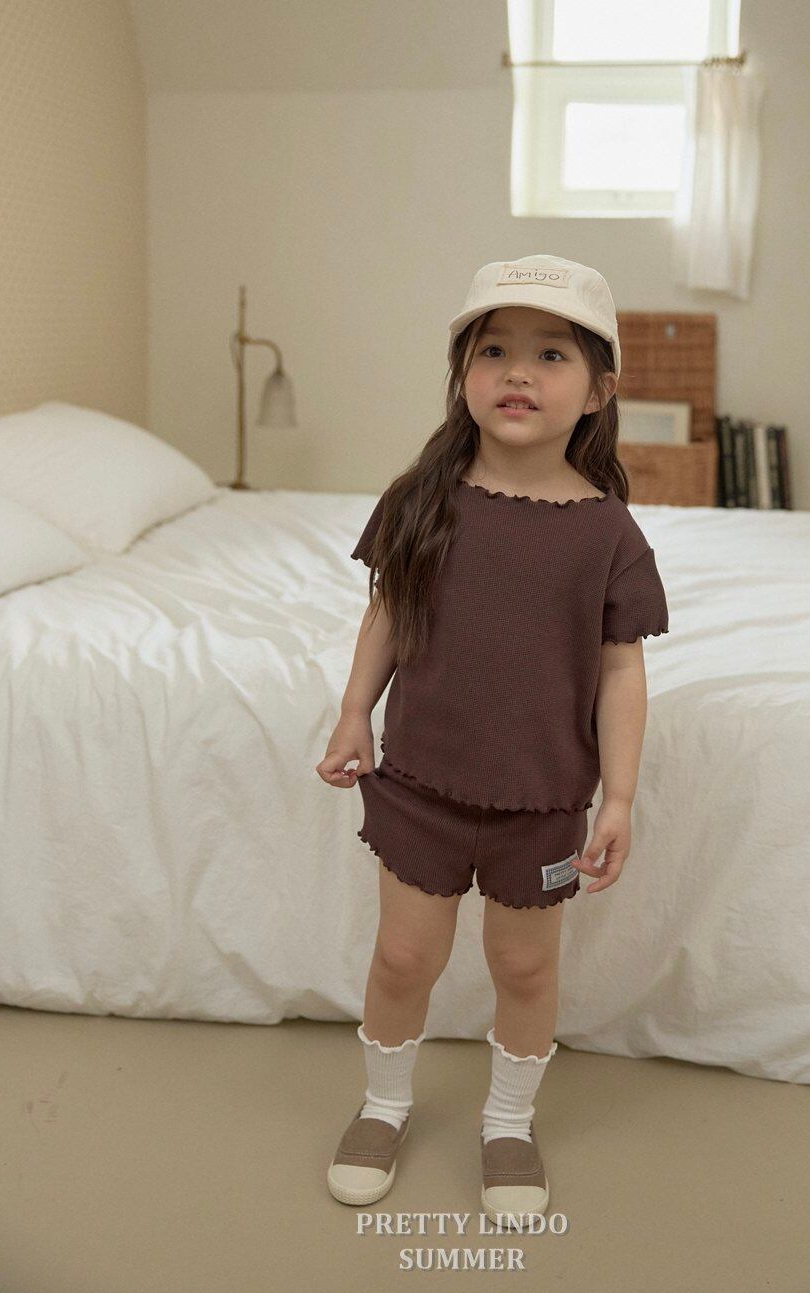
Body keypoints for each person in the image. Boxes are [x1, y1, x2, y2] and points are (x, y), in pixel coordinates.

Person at [316, 253, 669, 1223]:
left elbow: (620, 671)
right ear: (462, 374)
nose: (516, 371)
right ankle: (383, 1104)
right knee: (402, 959)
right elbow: (389, 611)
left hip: (541, 802)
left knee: (524, 968)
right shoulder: (421, 499)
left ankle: (508, 1123)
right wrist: (353, 711)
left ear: (596, 392)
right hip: (419, 787)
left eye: (549, 354)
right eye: (492, 351)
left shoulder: (607, 533)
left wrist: (619, 797)